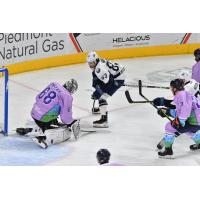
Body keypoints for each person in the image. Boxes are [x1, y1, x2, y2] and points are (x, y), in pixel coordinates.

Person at [17, 79, 80, 149]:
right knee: (58, 115)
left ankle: (37, 128)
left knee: (53, 104)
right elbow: (65, 117)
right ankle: (43, 137)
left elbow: (38, 97)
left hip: (34, 112)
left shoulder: (54, 84)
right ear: (73, 90)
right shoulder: (67, 96)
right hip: (43, 118)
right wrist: (70, 123)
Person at [157, 79, 200, 158]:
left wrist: (180, 121)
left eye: (171, 87)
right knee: (188, 131)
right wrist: (168, 111)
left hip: (194, 121)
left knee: (169, 127)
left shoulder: (180, 95)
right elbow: (182, 111)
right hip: (197, 122)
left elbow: (185, 111)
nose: (170, 89)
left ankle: (168, 150)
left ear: (174, 88)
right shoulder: (187, 94)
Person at [87, 51, 125, 128]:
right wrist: (96, 85)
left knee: (102, 97)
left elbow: (108, 83)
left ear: (96, 60)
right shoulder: (99, 63)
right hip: (117, 73)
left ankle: (104, 120)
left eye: (92, 63)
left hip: (118, 78)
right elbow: (98, 77)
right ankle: (102, 108)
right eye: (89, 63)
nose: (91, 65)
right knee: (99, 90)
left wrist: (97, 93)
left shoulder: (99, 69)